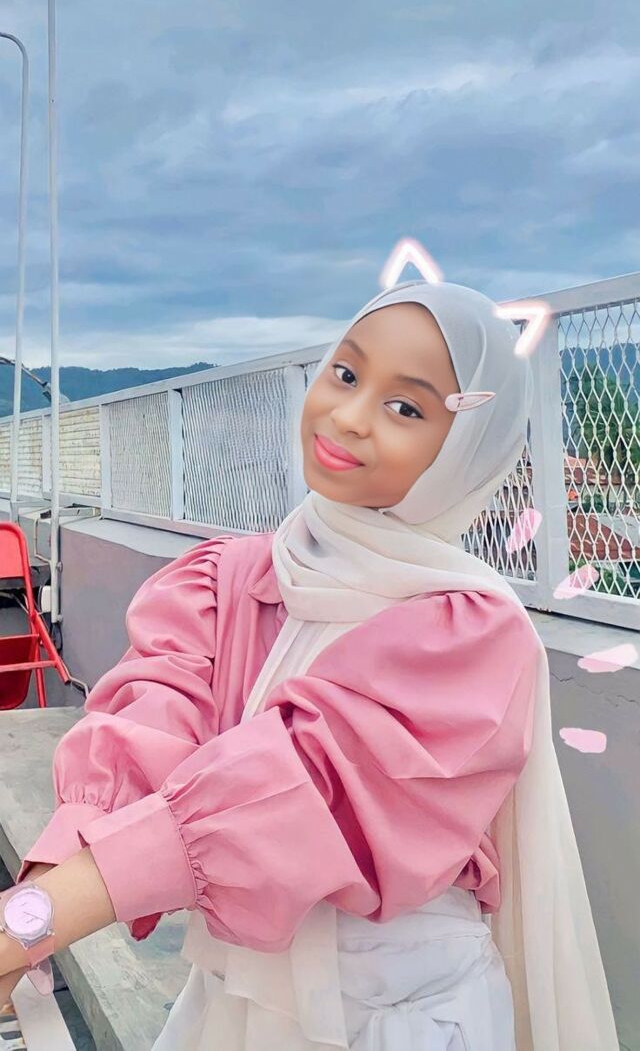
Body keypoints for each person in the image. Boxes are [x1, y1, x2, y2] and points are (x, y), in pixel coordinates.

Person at [0, 279, 618, 1050]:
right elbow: (146, 721)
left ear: (468, 446)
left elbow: (295, 790)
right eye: (346, 373)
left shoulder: (471, 636)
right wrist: (31, 913)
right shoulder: (229, 579)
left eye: (406, 408)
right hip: (238, 999)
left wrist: (35, 923)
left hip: (402, 1018)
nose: (350, 416)